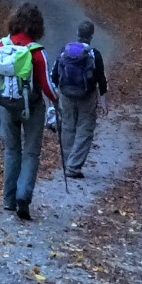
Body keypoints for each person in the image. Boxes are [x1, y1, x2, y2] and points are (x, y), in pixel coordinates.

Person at [0, 2, 57, 220]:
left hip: (7, 105)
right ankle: (23, 196)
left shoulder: (1, 46)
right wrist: (56, 101)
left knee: (11, 150)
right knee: (31, 152)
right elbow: (46, 86)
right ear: (37, 26)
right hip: (32, 107)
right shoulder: (36, 52)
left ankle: (8, 200)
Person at [49, 19, 109, 179]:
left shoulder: (65, 51)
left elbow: (55, 75)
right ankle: (73, 167)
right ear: (91, 36)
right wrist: (103, 99)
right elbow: (101, 78)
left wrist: (55, 94)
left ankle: (68, 161)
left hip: (66, 95)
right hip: (86, 96)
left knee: (68, 126)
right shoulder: (94, 54)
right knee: (85, 129)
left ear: (78, 34)